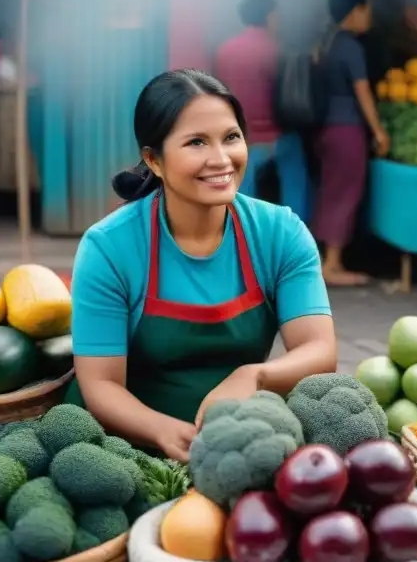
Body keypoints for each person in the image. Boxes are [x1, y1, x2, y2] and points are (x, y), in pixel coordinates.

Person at [63, 69, 337, 462]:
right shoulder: (110, 247)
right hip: (125, 451)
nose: (221, 159)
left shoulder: (281, 233)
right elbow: (101, 385)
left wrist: (255, 375)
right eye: (196, 142)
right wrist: (165, 432)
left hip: (237, 448)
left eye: (231, 137)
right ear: (154, 160)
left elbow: (319, 348)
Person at [313, 0, 389, 287]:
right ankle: (332, 265)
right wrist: (379, 130)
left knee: (331, 190)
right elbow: (363, 92)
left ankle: (324, 261)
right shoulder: (351, 47)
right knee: (345, 192)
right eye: (367, 9)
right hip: (347, 129)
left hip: (325, 128)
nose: (369, 16)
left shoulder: (326, 41)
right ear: (355, 11)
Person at [214, 0, 311, 221]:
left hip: (242, 137)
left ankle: (243, 238)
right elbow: (289, 94)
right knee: (296, 176)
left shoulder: (225, 50)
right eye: (276, 16)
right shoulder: (275, 50)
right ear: (269, 17)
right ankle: (294, 231)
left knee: (242, 189)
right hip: (277, 136)